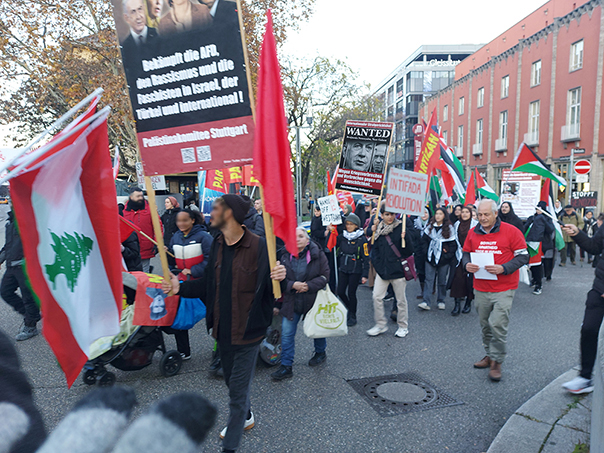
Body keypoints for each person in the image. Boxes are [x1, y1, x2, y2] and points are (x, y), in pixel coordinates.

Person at [163, 194, 286, 453]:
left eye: (217, 209)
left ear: (230, 215)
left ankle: (231, 443)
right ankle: (248, 415)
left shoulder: (260, 247)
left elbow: (274, 290)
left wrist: (282, 277)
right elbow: (207, 285)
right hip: (222, 331)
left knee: (236, 397)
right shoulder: (218, 244)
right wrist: (179, 289)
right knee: (231, 383)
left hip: (249, 333)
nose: (211, 213)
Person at [462, 199, 529, 382]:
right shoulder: (472, 233)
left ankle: (497, 361)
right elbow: (465, 253)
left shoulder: (511, 231)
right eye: (479, 215)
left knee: (497, 324)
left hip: (504, 287)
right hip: (481, 286)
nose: (482, 218)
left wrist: (504, 268)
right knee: (485, 325)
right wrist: (467, 264)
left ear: (495, 214)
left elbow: (523, 256)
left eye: (486, 215)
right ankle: (489, 354)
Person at [271, 228, 330, 381]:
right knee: (287, 333)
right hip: (292, 301)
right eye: (294, 236)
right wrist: (292, 285)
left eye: (301, 236)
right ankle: (286, 366)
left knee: (318, 329)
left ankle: (320, 352)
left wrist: (308, 285)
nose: (297, 239)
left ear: (307, 239)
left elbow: (325, 275)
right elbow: (277, 280)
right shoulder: (282, 255)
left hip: (312, 299)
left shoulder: (318, 254)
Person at [560, 220, 604, 394]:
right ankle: (585, 378)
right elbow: (594, 247)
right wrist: (577, 233)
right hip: (599, 289)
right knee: (588, 330)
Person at [165, 209, 213, 360]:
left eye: (185, 220)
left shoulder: (204, 237)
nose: (181, 224)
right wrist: (166, 253)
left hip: (203, 283)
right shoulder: (176, 237)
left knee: (214, 316)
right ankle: (184, 351)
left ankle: (220, 348)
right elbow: (173, 262)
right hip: (183, 284)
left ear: (193, 220)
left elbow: (211, 260)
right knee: (179, 317)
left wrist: (193, 270)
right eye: (179, 221)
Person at [365, 205, 414, 338]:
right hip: (383, 271)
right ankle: (380, 325)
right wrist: (378, 265)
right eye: (387, 214)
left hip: (397, 270)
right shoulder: (378, 229)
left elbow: (409, 251)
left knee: (400, 300)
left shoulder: (401, 228)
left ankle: (403, 326)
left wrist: (406, 237)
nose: (390, 217)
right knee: (376, 297)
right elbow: (373, 249)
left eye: (392, 214)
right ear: (382, 215)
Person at [0, 208, 41, 341]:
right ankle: (32, 315)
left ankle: (31, 327)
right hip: (11, 266)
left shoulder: (28, 219)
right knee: (5, 292)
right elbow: (7, 246)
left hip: (25, 267)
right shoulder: (10, 222)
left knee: (28, 297)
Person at [419, 208, 459, 311]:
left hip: (443, 260)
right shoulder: (429, 227)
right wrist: (426, 252)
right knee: (428, 280)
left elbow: (453, 245)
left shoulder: (449, 228)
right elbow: (423, 242)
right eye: (436, 213)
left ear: (444, 216)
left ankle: (441, 300)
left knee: (442, 281)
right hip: (430, 258)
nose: (438, 216)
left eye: (440, 214)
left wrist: (446, 256)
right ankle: (426, 301)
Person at [336, 214, 369, 326]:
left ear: (356, 225)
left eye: (351, 224)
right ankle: (349, 308)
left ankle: (352, 314)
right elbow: (332, 245)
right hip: (343, 268)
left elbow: (366, 257)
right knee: (340, 291)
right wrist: (329, 232)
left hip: (355, 269)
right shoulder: (342, 237)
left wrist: (365, 274)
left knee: (351, 292)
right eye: (347, 224)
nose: (349, 226)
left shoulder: (362, 239)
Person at [120, 0, 159, 84]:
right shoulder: (125, 47)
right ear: (126, 18)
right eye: (133, 12)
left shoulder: (159, 35)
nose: (138, 16)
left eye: (140, 9)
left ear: (144, 10)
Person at [449, 206, 478, 315]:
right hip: (459, 255)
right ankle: (457, 305)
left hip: (472, 256)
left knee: (470, 281)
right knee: (457, 280)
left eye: (467, 212)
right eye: (463, 212)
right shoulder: (457, 224)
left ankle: (468, 303)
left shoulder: (475, 225)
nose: (465, 214)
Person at [123, 187, 159, 273]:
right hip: (130, 248)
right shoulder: (124, 211)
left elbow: (158, 227)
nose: (140, 198)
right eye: (138, 196)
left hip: (145, 247)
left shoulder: (150, 210)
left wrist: (158, 242)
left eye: (141, 196)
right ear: (131, 197)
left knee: (144, 273)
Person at [524, 202, 554, 295]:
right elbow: (524, 229)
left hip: (542, 245)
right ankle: (534, 279)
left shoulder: (548, 218)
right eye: (537, 208)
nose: (538, 211)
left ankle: (539, 284)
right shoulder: (532, 218)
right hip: (531, 243)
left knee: (538, 265)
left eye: (540, 209)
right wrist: (530, 221)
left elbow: (550, 230)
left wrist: (543, 220)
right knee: (532, 264)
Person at [413, 208, 430, 300]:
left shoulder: (432, 225)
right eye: (422, 212)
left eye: (426, 212)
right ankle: (423, 290)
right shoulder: (415, 225)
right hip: (418, 253)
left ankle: (430, 289)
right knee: (421, 271)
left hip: (429, 253)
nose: (424, 214)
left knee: (430, 272)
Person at [161, 196, 181, 266]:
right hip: (167, 241)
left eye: (167, 202)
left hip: (176, 241)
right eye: (165, 202)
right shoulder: (166, 214)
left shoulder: (179, 213)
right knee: (168, 262)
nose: (165, 204)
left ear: (172, 203)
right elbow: (159, 222)